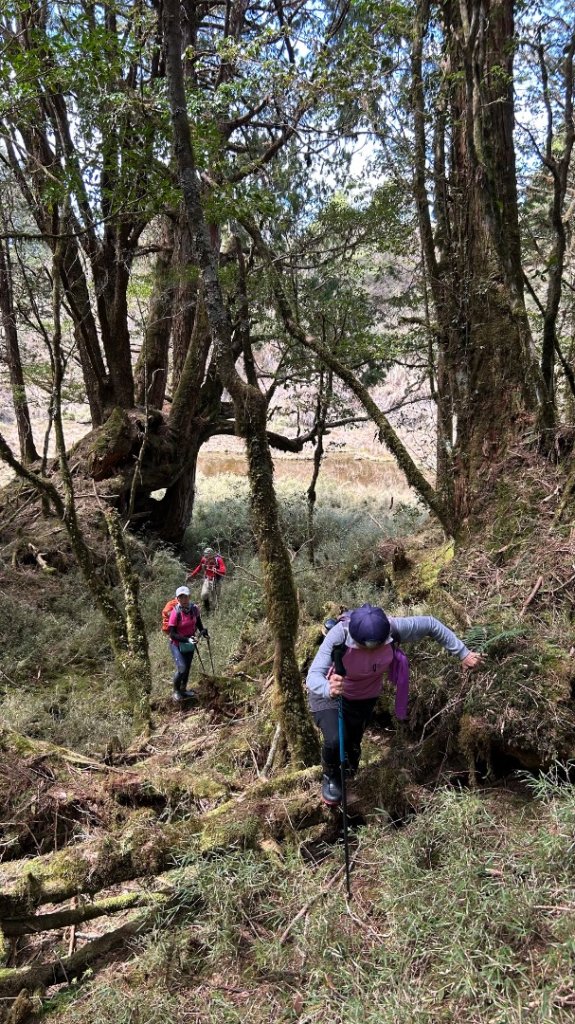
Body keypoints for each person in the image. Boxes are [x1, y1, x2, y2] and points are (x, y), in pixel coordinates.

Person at [306, 603, 482, 806]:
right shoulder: (339, 636)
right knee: (337, 740)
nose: (369, 650)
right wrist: (328, 688)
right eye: (363, 646)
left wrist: (463, 653)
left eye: (376, 646)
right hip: (330, 695)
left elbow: (431, 624)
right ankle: (330, 776)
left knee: (352, 745)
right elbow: (313, 677)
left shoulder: (395, 628)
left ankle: (348, 772)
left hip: (364, 696)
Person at [167, 586, 209, 702]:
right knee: (181, 667)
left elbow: (198, 623)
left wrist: (202, 631)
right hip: (177, 644)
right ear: (177, 599)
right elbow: (172, 634)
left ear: (189, 597)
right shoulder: (175, 613)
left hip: (190, 643)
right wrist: (187, 640)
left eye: (186, 596)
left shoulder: (194, 609)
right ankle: (176, 691)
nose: (184, 599)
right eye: (181, 597)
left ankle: (183, 690)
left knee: (187, 668)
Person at [187, 546, 227, 614]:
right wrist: (191, 575)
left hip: (216, 581)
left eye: (208, 556)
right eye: (205, 556)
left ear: (212, 555)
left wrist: (217, 570)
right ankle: (207, 608)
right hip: (207, 579)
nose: (206, 558)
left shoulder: (218, 560)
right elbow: (199, 567)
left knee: (215, 600)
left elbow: (224, 570)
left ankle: (214, 614)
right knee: (204, 595)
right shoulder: (204, 559)